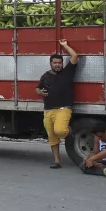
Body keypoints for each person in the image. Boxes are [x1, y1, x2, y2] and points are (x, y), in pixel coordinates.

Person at [36, 39, 80, 169]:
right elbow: (37, 88)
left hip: (63, 109)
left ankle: (71, 131)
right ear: (51, 64)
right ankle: (57, 161)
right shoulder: (45, 76)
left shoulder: (67, 72)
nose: (57, 65)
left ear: (62, 63)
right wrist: (39, 92)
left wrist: (65, 46)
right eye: (55, 63)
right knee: (52, 138)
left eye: (59, 63)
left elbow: (75, 56)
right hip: (48, 110)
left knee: (60, 131)